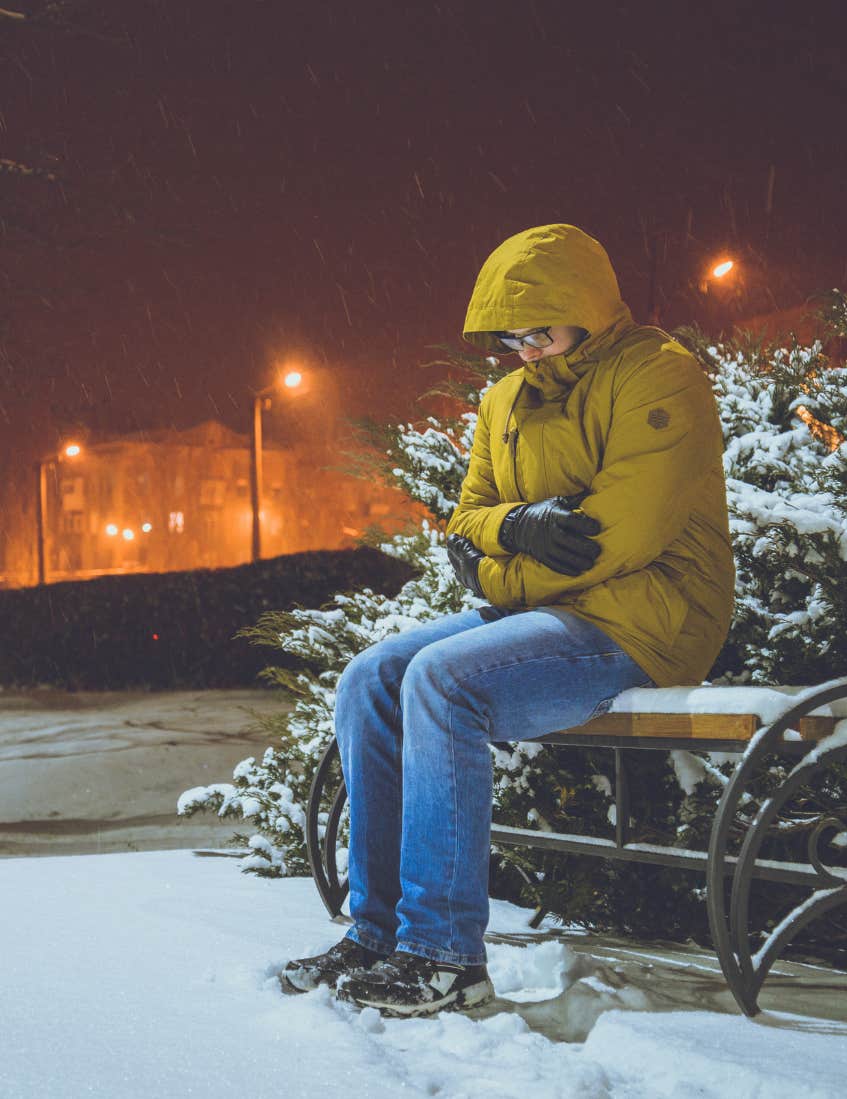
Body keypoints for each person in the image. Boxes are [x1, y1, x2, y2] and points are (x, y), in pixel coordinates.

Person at [280, 223, 734, 1017]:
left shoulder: (659, 377)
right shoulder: (502, 401)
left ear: (587, 312)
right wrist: (516, 529)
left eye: (543, 332)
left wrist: (493, 563)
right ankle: (376, 932)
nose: (528, 351)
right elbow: (466, 518)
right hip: (545, 608)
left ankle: (445, 955)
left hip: (646, 618)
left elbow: (619, 536)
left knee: (445, 681)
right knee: (370, 678)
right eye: (514, 338)